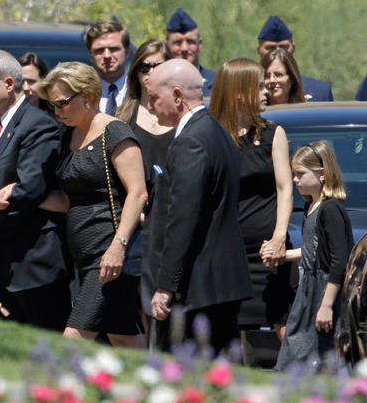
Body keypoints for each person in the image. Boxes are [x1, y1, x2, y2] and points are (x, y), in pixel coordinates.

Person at [37, 61, 148, 348]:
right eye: (53, 106)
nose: (57, 112)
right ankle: (160, 387)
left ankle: (53, 391)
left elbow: (137, 193)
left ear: (86, 96)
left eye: (62, 103)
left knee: (73, 339)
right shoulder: (67, 137)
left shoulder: (114, 132)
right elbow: (65, 200)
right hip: (84, 257)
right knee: (122, 336)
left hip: (109, 256)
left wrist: (118, 246)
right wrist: (18, 196)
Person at [146, 59, 252, 354]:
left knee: (188, 378)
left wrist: (166, 285)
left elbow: (183, 218)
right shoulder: (216, 131)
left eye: (154, 98)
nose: (151, 107)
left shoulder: (190, 141)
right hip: (221, 283)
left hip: (199, 287)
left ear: (178, 95)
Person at [0, 50, 72, 330]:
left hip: (34, 262)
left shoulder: (37, 125)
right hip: (2, 260)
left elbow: (30, 187)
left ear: (9, 84)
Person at [209, 58, 294, 342]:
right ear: (238, 91)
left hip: (268, 252)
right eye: (258, 87)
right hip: (227, 252)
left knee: (282, 322)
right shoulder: (213, 136)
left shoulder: (272, 134)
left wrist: (280, 236)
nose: (266, 92)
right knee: (227, 328)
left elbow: (284, 188)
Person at [274, 142, 354, 370]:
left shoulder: (330, 209)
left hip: (323, 292)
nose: (295, 180)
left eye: (300, 174)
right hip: (308, 291)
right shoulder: (311, 206)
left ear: (322, 173)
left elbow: (339, 261)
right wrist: (282, 255)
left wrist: (326, 306)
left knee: (315, 358)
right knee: (296, 352)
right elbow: (314, 250)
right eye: (294, 175)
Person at [114, 39, 174, 334]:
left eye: (158, 65)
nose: (151, 72)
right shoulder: (124, 117)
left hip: (173, 223)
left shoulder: (180, 117)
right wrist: (135, 213)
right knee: (140, 309)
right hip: (137, 226)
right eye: (145, 66)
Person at [256, 15, 333, 102]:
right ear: (259, 50)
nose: (278, 52)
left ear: (293, 48)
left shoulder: (320, 91)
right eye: (270, 48)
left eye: (283, 47)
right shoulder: (250, 93)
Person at [165, 7, 216, 97]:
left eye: (190, 41)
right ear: (167, 45)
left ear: (199, 44)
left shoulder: (218, 84)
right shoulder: (158, 84)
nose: (184, 48)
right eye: (177, 42)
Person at [84, 20, 131, 115]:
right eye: (99, 50)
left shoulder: (140, 91)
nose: (106, 56)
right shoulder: (81, 95)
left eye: (113, 49)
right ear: (91, 55)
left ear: (127, 52)